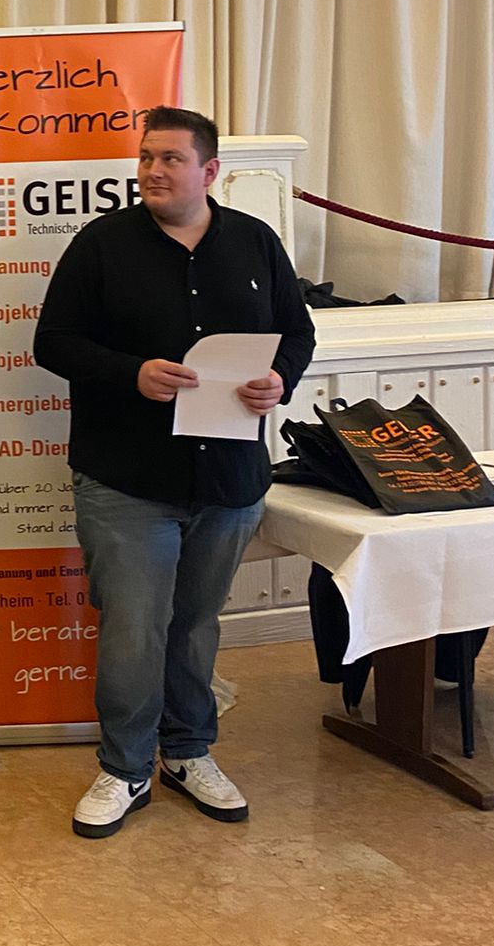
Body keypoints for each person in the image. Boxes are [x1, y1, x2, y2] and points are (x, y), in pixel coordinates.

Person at [33, 107, 316, 839]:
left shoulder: (255, 242)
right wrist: (130, 374)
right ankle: (125, 768)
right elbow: (53, 342)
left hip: (228, 481)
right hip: (127, 481)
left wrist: (280, 380)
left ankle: (188, 753)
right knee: (134, 630)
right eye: (146, 158)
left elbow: (298, 331)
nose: (153, 171)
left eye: (170, 159)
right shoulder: (102, 244)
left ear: (210, 171)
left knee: (193, 627)